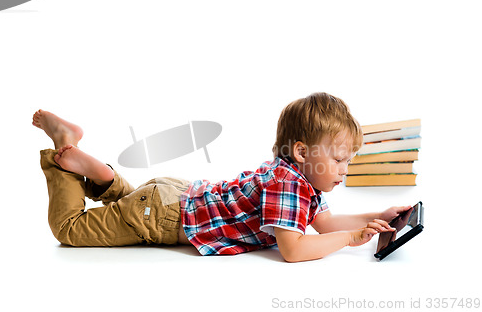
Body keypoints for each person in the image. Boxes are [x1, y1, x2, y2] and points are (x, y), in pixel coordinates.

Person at [33, 92, 410, 262]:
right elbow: (294, 250)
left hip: (169, 198)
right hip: (165, 215)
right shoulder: (289, 185)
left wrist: (376, 218)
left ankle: (102, 175)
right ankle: (63, 147)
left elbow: (324, 222)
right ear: (302, 152)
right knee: (70, 228)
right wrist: (349, 239)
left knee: (129, 207)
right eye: (341, 159)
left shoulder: (293, 175)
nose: (345, 169)